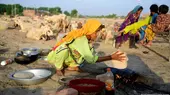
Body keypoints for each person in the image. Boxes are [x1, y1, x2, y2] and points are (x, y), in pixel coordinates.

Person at [47, 19, 127, 76]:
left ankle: (71, 66)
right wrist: (111, 57)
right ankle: (59, 68)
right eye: (96, 32)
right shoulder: (81, 39)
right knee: (64, 50)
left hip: (70, 58)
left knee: (79, 58)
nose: (97, 34)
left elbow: (90, 56)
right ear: (90, 31)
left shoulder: (86, 41)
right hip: (57, 56)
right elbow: (91, 59)